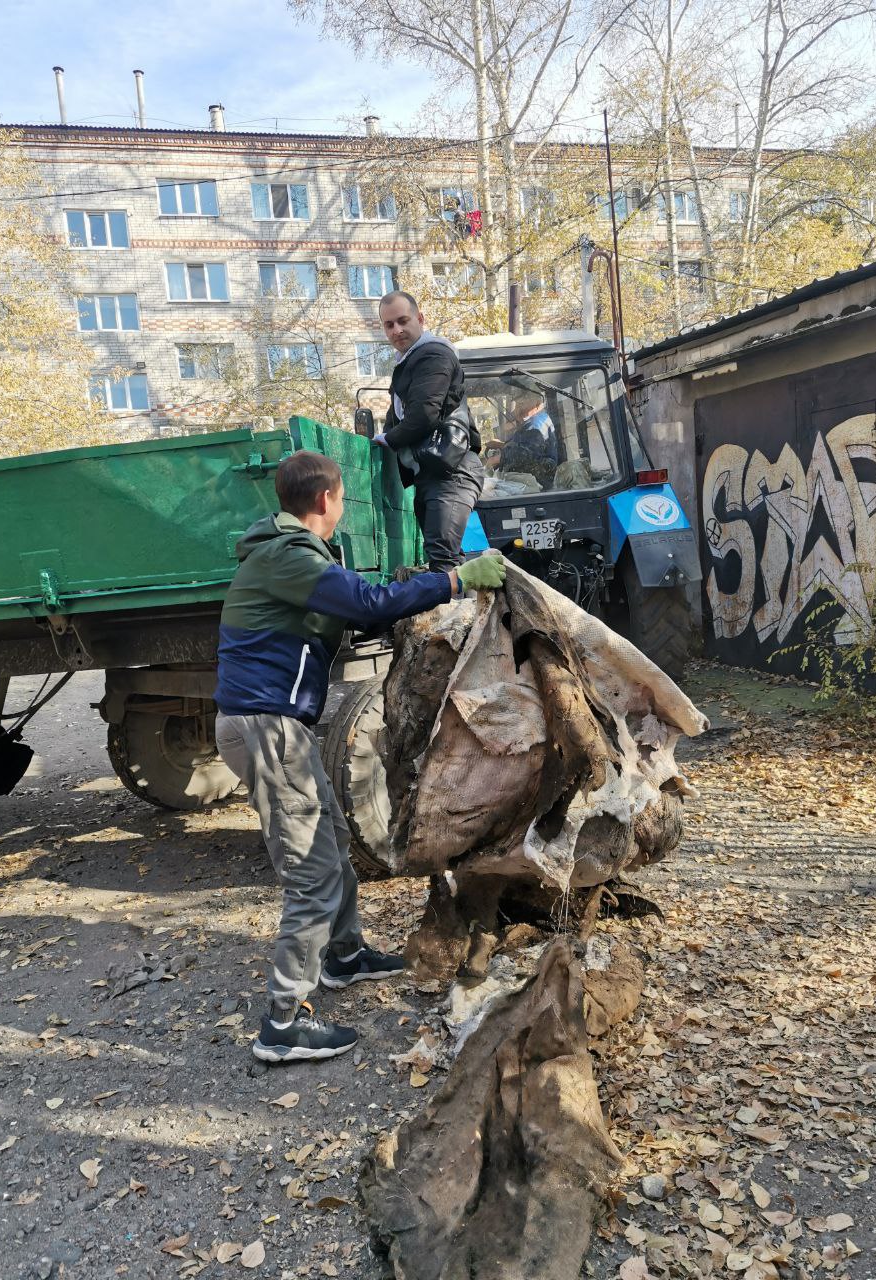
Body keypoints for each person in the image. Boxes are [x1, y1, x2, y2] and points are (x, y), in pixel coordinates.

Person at [214, 450, 506, 1064]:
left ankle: (344, 957)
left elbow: (354, 614)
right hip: (266, 730)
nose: (343, 507)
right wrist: (456, 579)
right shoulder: (286, 558)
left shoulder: (287, 559)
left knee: (337, 835)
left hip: (280, 727)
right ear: (326, 501)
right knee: (312, 873)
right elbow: (370, 604)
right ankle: (282, 1024)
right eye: (343, 497)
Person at [374, 291, 485, 572]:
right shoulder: (410, 360)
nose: (397, 330)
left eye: (403, 320)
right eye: (389, 325)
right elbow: (398, 416)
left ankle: (459, 617)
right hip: (437, 472)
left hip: (453, 473)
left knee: (442, 561)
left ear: (420, 319)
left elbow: (424, 415)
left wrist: (386, 440)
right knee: (448, 560)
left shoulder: (433, 354)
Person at [493, 392, 559, 488]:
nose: (516, 410)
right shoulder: (531, 423)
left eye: (521, 404)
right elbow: (521, 444)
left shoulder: (535, 425)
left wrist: (498, 459)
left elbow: (525, 455)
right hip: (533, 480)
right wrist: (502, 445)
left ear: (537, 404)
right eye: (517, 405)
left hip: (537, 484)